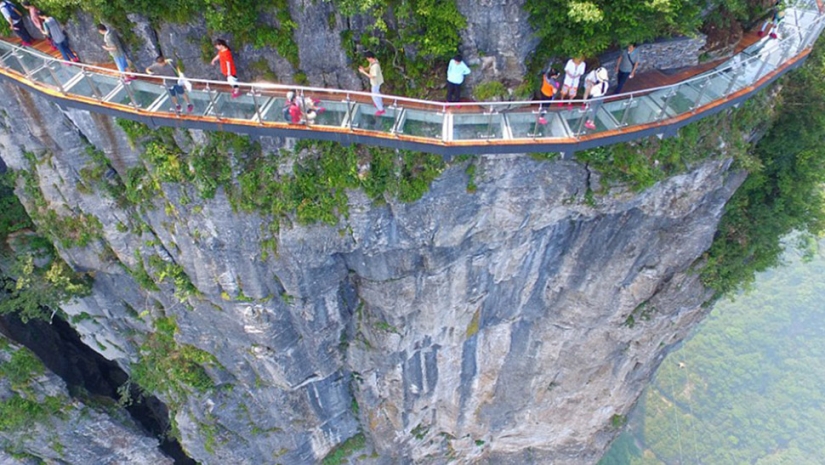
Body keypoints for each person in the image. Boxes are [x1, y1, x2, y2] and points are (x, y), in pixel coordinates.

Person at [358, 51, 385, 116]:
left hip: (376, 82)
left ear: (370, 58)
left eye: (367, 58)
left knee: (374, 95)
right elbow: (369, 67)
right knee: (377, 93)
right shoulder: (374, 61)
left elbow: (372, 76)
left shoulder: (375, 66)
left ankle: (381, 109)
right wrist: (364, 69)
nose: (367, 60)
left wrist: (363, 72)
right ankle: (380, 104)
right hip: (377, 81)